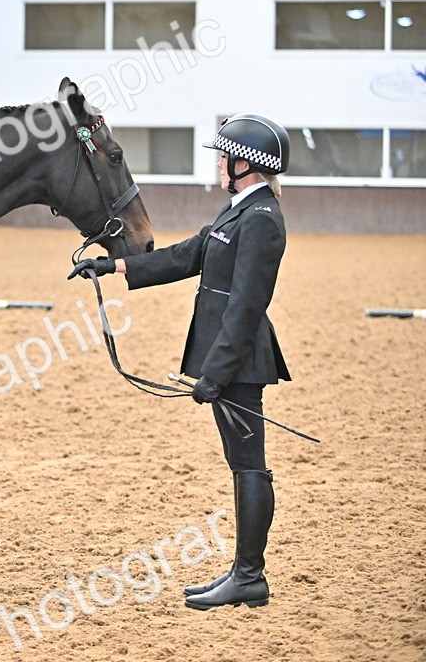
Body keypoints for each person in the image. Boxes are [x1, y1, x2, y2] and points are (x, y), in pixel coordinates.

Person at [69, 114, 292, 610]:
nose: (218, 163)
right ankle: (241, 572)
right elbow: (186, 255)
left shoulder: (260, 219)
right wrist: (112, 264)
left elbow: (246, 307)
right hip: (226, 359)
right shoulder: (237, 211)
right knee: (241, 465)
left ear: (245, 164)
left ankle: (250, 577)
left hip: (238, 362)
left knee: (249, 466)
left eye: (224, 156)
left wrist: (216, 372)